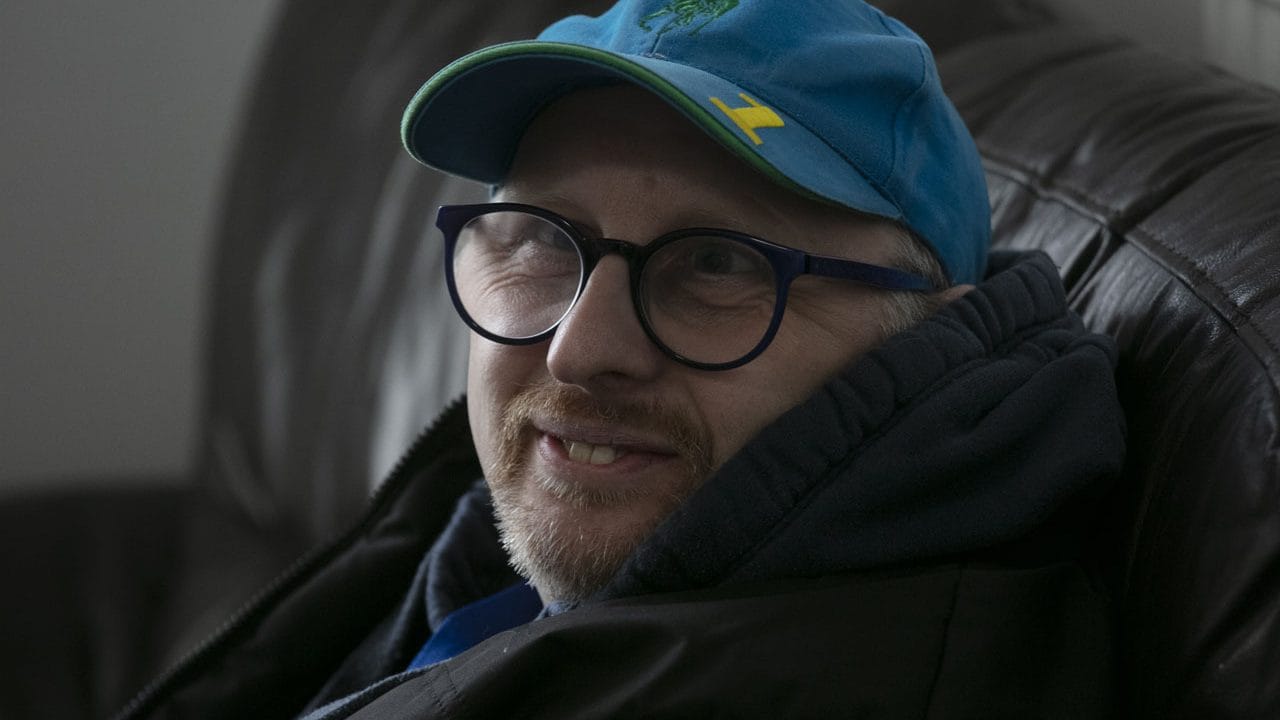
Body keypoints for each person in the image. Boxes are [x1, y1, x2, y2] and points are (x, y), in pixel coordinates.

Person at [119, 0, 1124, 717]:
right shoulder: (479, 563)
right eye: (540, 240)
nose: (579, 348)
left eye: (717, 263)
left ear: (927, 340)